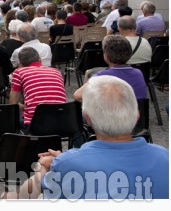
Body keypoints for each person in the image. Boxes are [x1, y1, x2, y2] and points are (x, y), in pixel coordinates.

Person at [9, 76, 169, 200]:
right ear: (137, 115)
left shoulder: (67, 165)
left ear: (87, 118)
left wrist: (41, 170)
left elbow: (20, 199)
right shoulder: (165, 157)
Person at [74, 35, 148, 101]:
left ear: (106, 56)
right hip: (136, 114)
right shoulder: (138, 73)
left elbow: (77, 96)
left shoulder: (102, 76)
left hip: (111, 114)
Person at [8, 48, 66, 128]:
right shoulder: (57, 71)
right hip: (61, 120)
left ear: (20, 64)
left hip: (35, 123)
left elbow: (12, 104)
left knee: (13, 117)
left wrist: (26, 107)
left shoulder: (19, 72)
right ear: (40, 60)